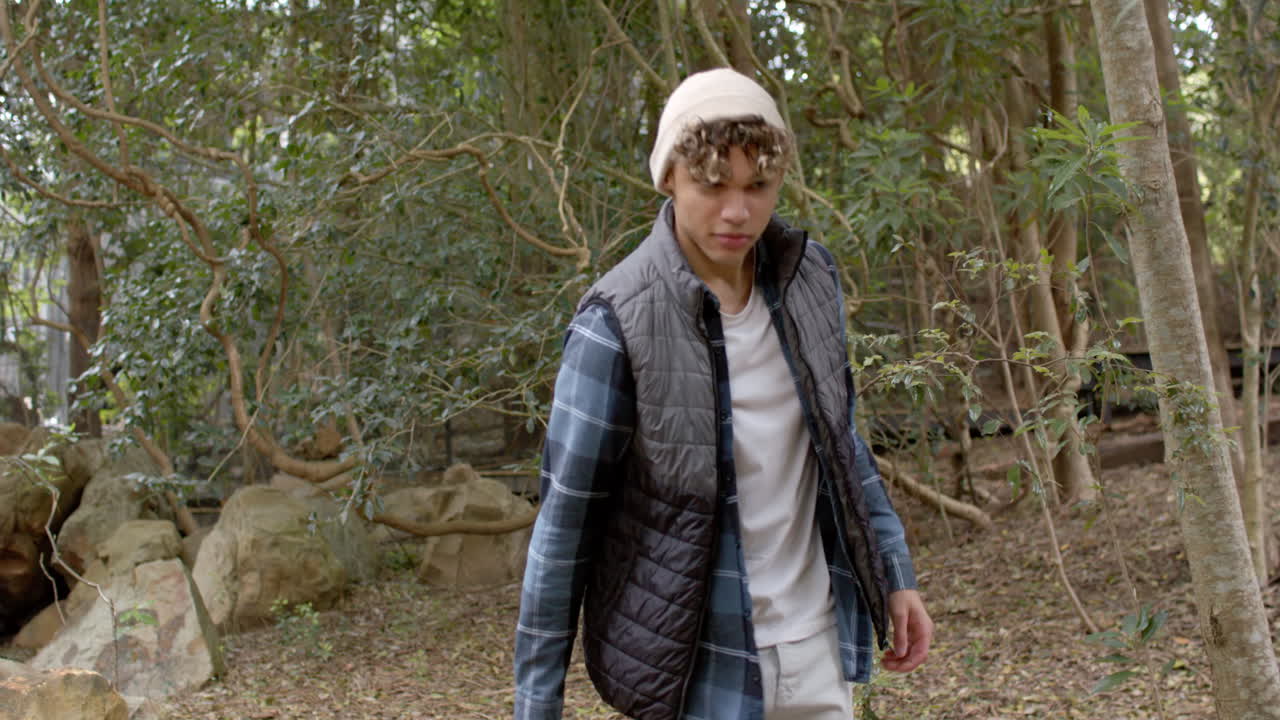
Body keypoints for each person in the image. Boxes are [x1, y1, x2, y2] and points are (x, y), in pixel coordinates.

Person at [513, 68, 932, 720]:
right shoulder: (616, 322)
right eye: (712, 185)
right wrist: (536, 704)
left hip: (818, 645)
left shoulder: (809, 279)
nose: (737, 211)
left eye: (757, 186)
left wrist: (894, 573)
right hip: (699, 672)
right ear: (670, 179)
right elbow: (563, 529)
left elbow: (841, 441)